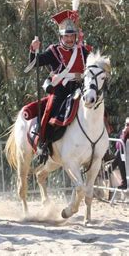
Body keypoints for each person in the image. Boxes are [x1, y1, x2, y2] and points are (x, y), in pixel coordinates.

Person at [28, 9, 91, 164]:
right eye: (66, 36)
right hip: (61, 91)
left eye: (72, 36)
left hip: (80, 88)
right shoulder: (54, 50)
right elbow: (34, 64)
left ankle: (103, 148)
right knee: (50, 112)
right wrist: (33, 50)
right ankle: (43, 144)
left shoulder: (83, 50)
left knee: (98, 107)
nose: (69, 39)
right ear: (61, 36)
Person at [112, 118, 128, 190]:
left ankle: (110, 168)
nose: (127, 126)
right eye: (126, 124)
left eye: (128, 125)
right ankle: (124, 183)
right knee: (120, 158)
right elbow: (118, 146)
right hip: (124, 156)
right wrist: (123, 134)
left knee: (119, 157)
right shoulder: (122, 132)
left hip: (127, 156)